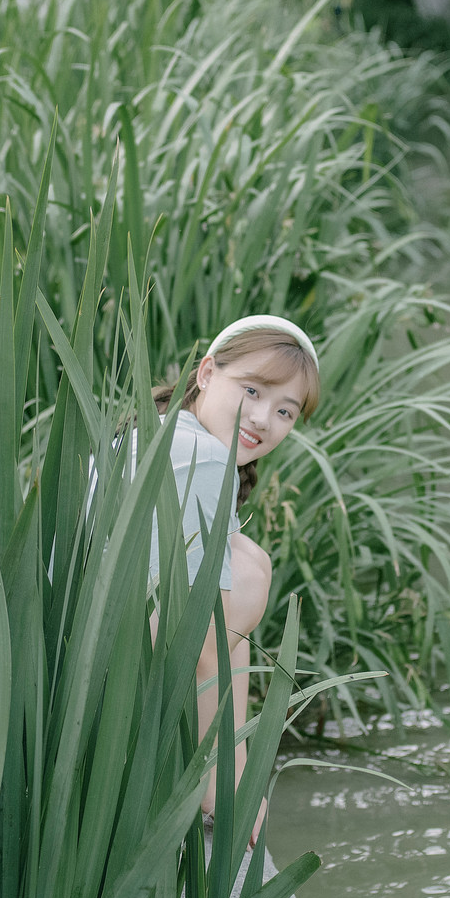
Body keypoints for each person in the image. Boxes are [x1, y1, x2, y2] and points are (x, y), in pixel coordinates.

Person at [145, 315, 320, 846]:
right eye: (251, 390)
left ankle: (225, 767)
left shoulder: (163, 430)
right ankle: (219, 781)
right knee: (246, 572)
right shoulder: (197, 457)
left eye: (285, 411)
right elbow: (200, 639)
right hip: (101, 662)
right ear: (205, 373)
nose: (264, 419)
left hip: (77, 644)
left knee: (245, 560)